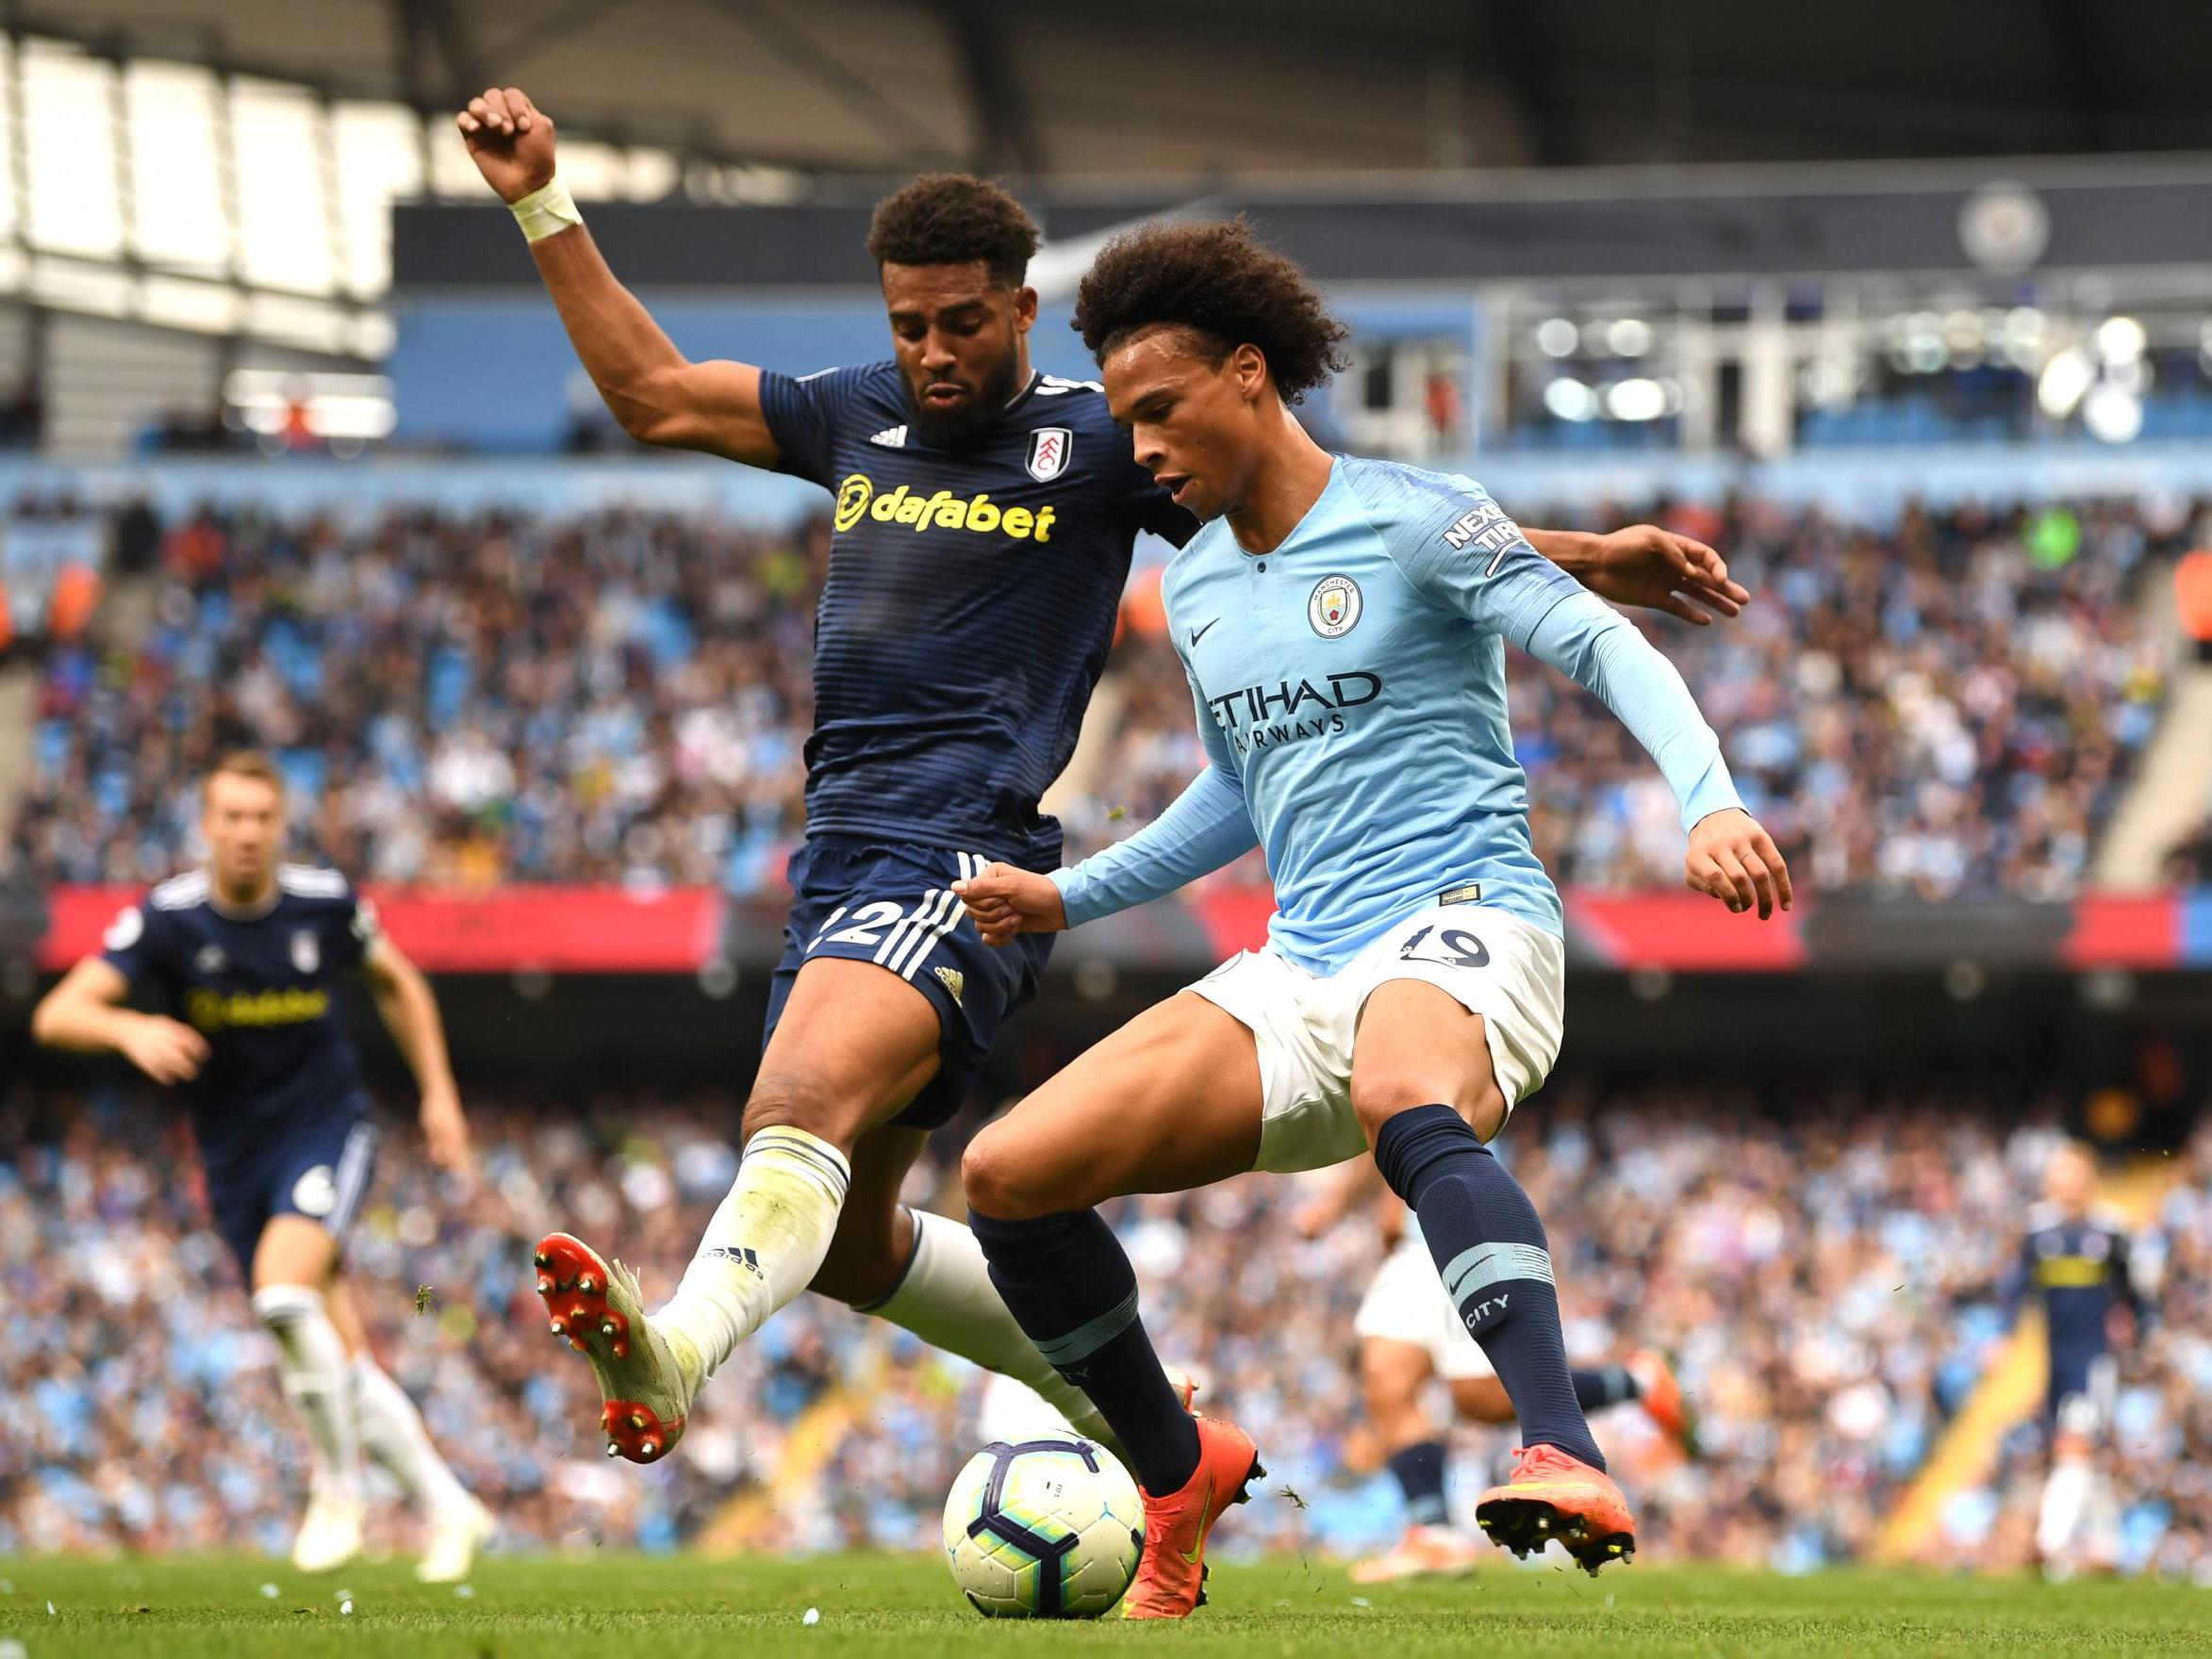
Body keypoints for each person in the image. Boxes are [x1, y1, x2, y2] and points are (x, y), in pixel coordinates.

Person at [454, 85, 1752, 1469]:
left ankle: (676, 1350)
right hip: (835, 851)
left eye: (962, 322)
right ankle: (1162, 1439)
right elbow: (652, 394)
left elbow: (1341, 528)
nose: (934, 353)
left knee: (793, 1108)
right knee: (848, 1241)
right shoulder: (852, 417)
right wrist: (542, 200)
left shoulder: (1102, 442)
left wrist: (1570, 558)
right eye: (907, 326)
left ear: (1021, 309)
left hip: (956, 853)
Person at [950, 218, 1792, 1618]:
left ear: (1247, 372)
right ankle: (1175, 1470)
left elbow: (1595, 639)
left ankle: (1563, 1450)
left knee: (1406, 1083)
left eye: (1157, 412)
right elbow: (1238, 795)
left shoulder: (1416, 510)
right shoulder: (1199, 584)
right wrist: (1067, 893)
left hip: (1467, 919)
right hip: (1301, 961)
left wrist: (1704, 800)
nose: (1140, 448)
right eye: (1122, 422)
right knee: (1008, 1175)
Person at [31, 751, 490, 1580]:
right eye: (231, 818)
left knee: (285, 1295)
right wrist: (127, 1029)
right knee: (334, 1350)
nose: (246, 834)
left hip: (326, 1128)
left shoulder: (323, 903)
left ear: (282, 828)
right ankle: (452, 1509)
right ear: (206, 827)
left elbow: (401, 984)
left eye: (262, 818)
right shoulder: (169, 920)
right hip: (234, 1157)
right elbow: (58, 1013)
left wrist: (439, 1094)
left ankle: (338, 1490)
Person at [1294, 1162, 1689, 1584]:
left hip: (1455, 1227)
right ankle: (1433, 1534)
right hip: (1414, 1245)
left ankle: (1637, 1381)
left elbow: (1406, 1117)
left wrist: (1337, 1202)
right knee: (1385, 1380)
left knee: (1484, 1399)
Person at [2006, 1142, 2145, 1579]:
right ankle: (2107, 1547)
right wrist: (2005, 1334)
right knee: (2081, 1454)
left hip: (2094, 1358)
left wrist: (2141, 1334)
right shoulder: (2036, 1230)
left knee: (2074, 1446)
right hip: (2055, 1359)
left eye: (2073, 1172)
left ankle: (2049, 1543)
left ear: (2090, 1177)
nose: (2065, 1182)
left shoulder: (2111, 1230)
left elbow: (2134, 1295)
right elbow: (2016, 1290)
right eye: (2058, 1173)